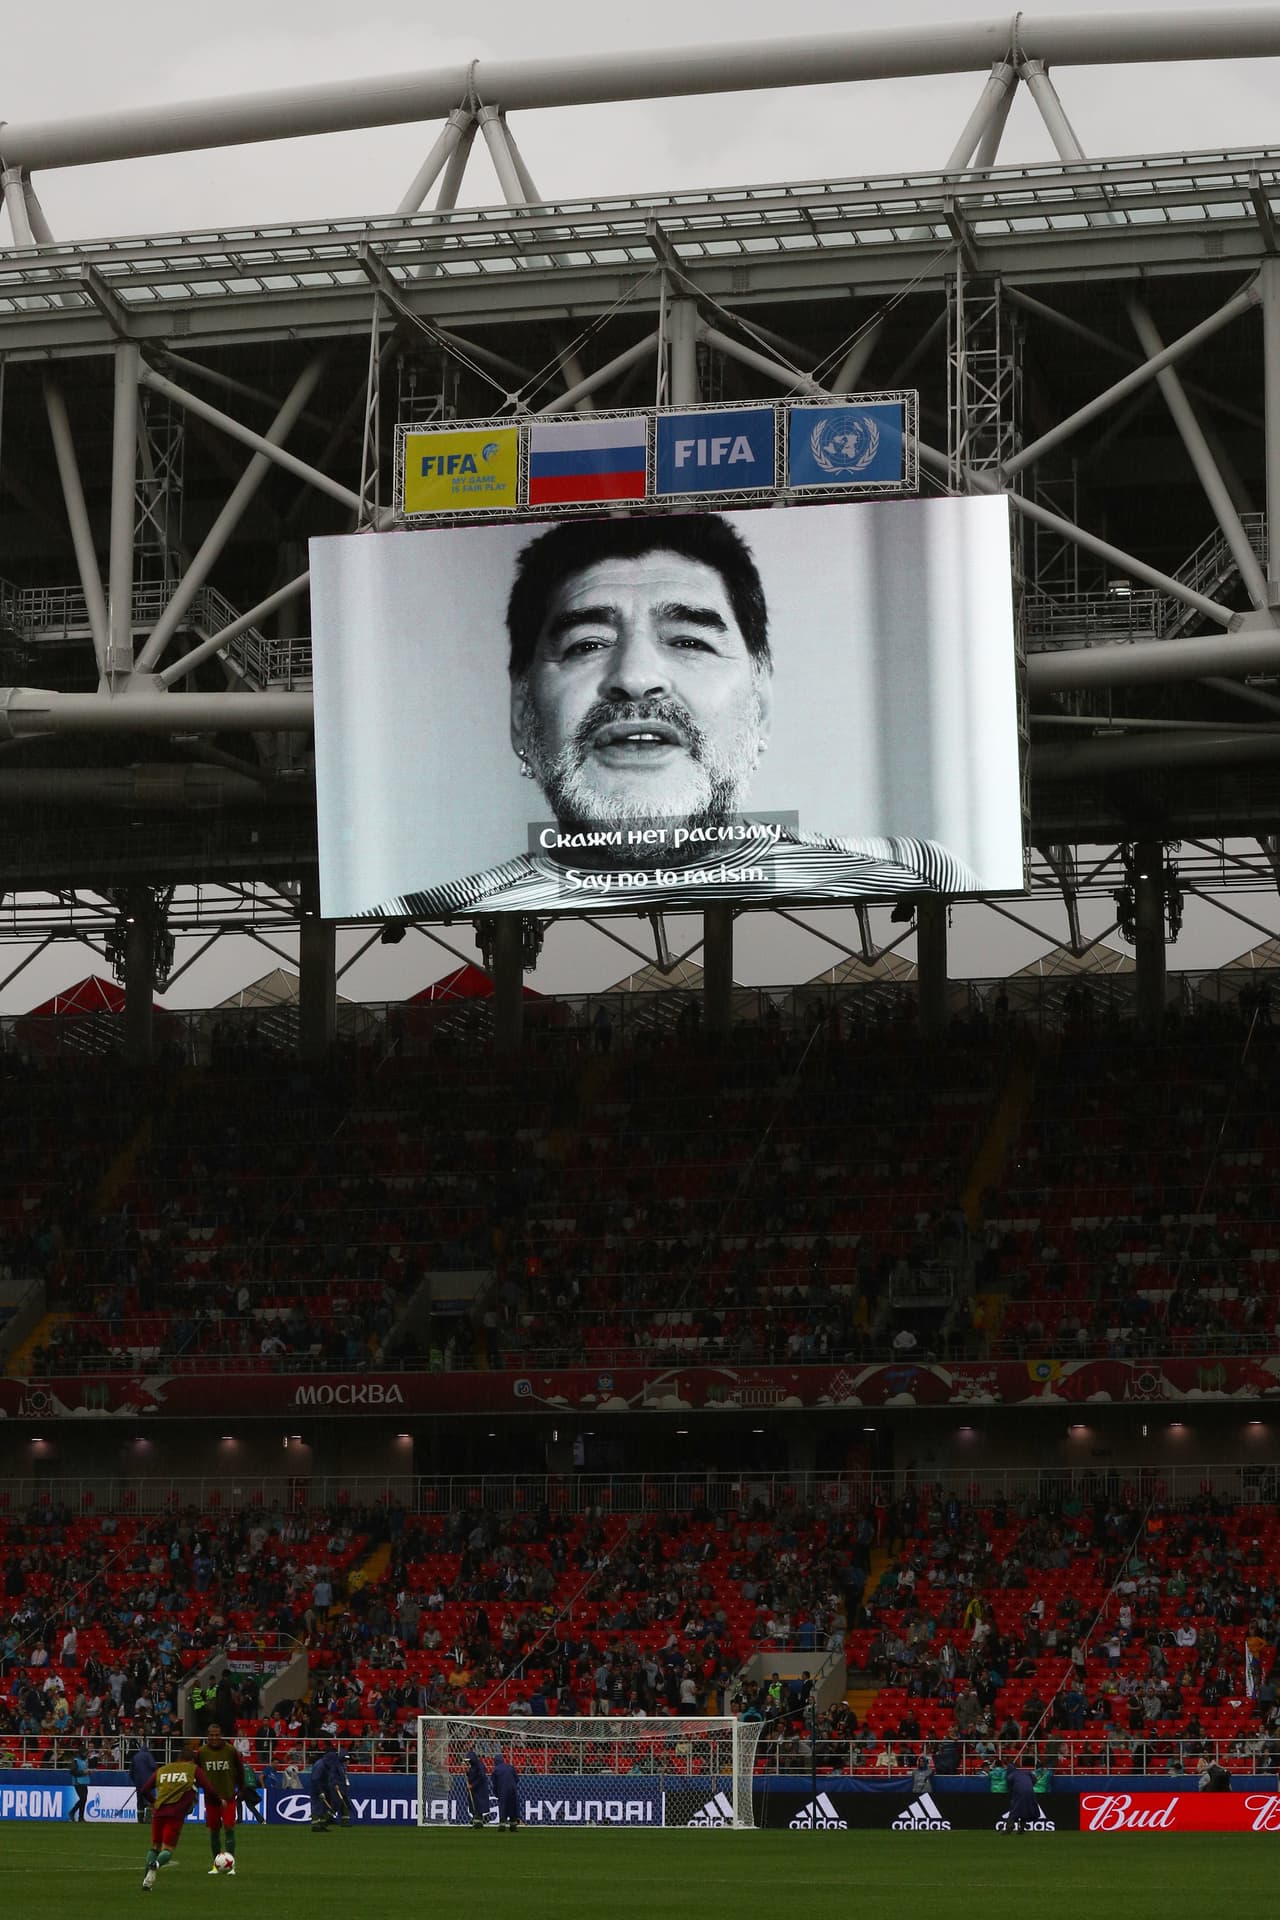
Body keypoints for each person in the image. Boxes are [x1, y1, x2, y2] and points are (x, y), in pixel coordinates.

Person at [370, 515, 977, 918]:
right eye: (585, 645)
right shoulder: (420, 922)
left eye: (688, 640)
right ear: (521, 711)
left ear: (760, 704)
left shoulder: (919, 879)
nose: (634, 677)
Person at [139, 1740, 219, 1892]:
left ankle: (146, 1880)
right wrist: (218, 1800)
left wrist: (154, 1802)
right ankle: (155, 1865)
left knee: (154, 1847)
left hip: (159, 1812)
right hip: (175, 1814)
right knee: (167, 1849)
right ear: (191, 1760)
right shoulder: (192, 1769)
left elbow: (144, 1789)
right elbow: (209, 1788)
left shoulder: (163, 1769)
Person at [198, 1724, 245, 1875]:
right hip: (211, 1800)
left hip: (228, 1796)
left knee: (229, 1829)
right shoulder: (202, 1752)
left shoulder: (230, 1750)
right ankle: (215, 1865)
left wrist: (242, 1788)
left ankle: (232, 1866)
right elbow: (196, 1771)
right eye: (211, 1735)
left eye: (216, 1735)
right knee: (214, 1832)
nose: (214, 1738)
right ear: (207, 1736)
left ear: (221, 1735)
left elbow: (240, 1769)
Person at [310, 1745, 352, 1830]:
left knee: (325, 1806)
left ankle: (322, 1823)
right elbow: (316, 1780)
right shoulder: (320, 1765)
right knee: (318, 1805)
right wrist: (320, 1791)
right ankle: (316, 1825)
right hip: (318, 1787)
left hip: (326, 1786)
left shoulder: (329, 1763)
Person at [129, 1741, 157, 1825]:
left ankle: (140, 1820)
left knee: (140, 1802)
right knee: (150, 1801)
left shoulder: (135, 1757)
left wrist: (135, 1782)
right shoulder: (148, 1756)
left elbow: (131, 1772)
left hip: (139, 1783)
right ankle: (148, 1819)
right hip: (149, 1783)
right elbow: (153, 1767)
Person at [491, 1751, 520, 1831]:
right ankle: (513, 1825)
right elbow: (517, 1779)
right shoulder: (510, 1767)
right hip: (513, 1789)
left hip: (503, 1790)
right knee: (513, 1806)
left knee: (503, 1806)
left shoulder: (495, 1770)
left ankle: (502, 1825)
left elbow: (495, 1784)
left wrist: (496, 1793)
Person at [1005, 1763, 1038, 1832]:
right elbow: (1035, 1780)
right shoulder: (1026, 1772)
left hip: (1019, 1792)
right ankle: (1022, 1829)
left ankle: (1009, 1827)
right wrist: (1029, 1786)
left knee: (1014, 1810)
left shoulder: (1011, 1775)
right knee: (1024, 1809)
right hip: (1030, 1792)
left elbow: (1010, 1788)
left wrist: (1012, 1798)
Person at [464, 1750, 492, 1828]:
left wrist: (473, 1785)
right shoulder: (472, 1766)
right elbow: (471, 1775)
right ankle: (476, 1819)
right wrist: (467, 1772)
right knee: (473, 1804)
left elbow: (481, 1777)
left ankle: (479, 1820)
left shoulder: (480, 1765)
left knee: (479, 1804)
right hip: (474, 1789)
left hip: (480, 1789)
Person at [67, 1751, 90, 1822]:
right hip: (78, 1782)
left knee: (84, 1799)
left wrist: (88, 1772)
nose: (87, 1755)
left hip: (84, 1781)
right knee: (83, 1798)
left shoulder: (84, 1761)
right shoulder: (76, 1761)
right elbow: (72, 1771)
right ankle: (73, 1812)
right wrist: (83, 1772)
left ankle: (81, 1817)